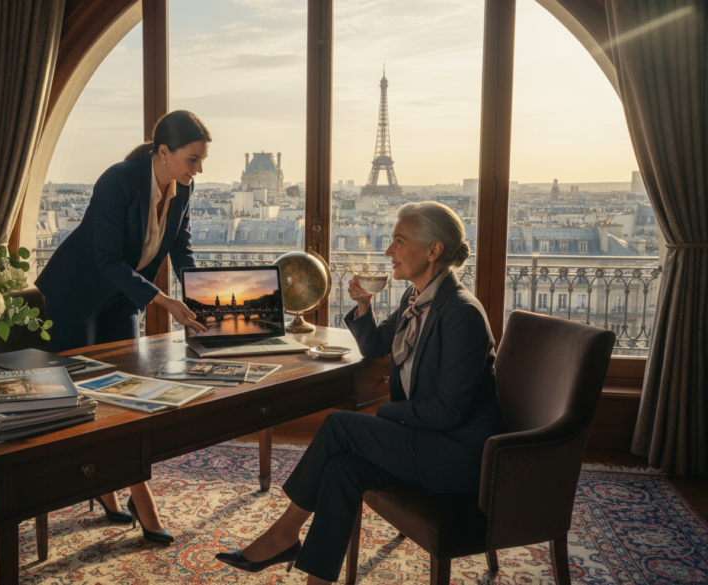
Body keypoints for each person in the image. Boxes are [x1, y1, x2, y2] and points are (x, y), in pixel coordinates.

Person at [215, 202, 507, 582]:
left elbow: (449, 412)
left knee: (339, 426)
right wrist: (363, 306)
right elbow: (376, 347)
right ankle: (313, 576)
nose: (389, 252)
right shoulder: (417, 297)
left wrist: (384, 414)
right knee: (342, 468)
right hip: (428, 439)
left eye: (399, 242)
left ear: (433, 250)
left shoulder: (461, 313)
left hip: (457, 456)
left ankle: (283, 534)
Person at [35, 110, 212, 544]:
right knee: (78, 398)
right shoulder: (117, 180)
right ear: (164, 152)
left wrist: (203, 293)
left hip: (121, 295)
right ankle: (127, 495)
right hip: (71, 296)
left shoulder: (183, 187)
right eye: (193, 159)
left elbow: (181, 248)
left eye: (202, 160)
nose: (199, 169)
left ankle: (120, 488)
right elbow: (106, 261)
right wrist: (164, 300)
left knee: (125, 395)